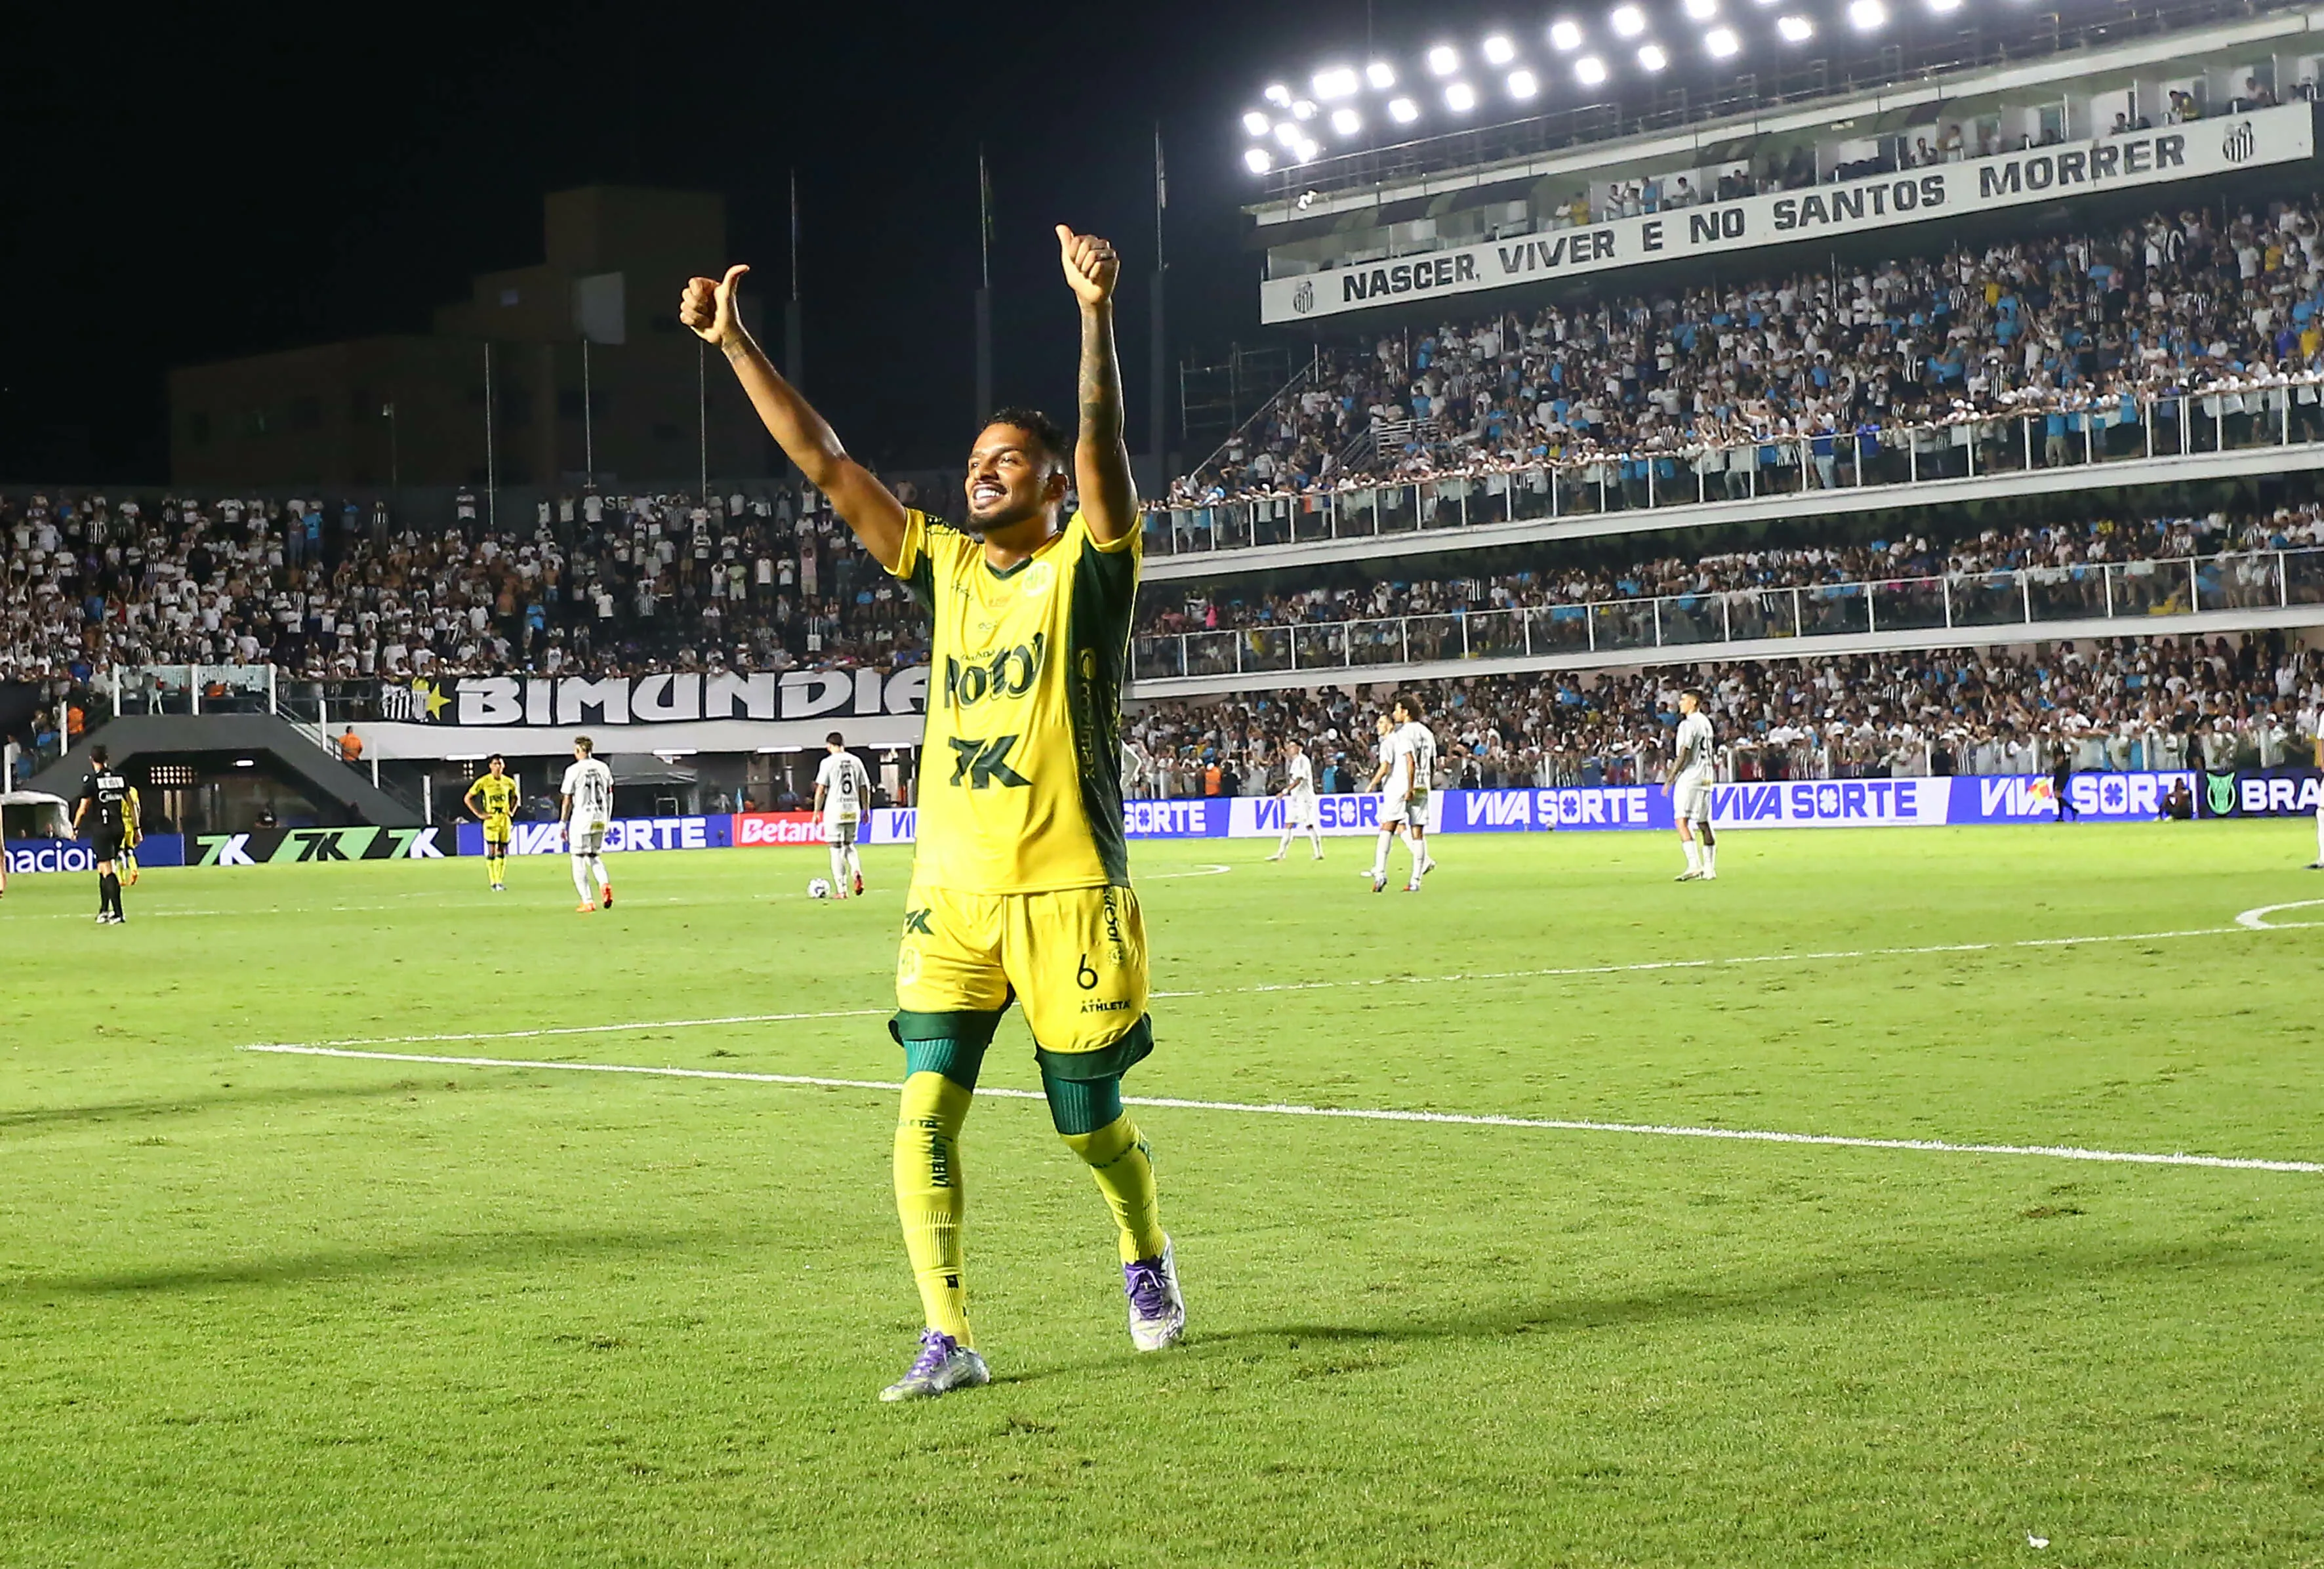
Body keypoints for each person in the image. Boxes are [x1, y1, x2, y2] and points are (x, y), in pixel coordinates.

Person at [683, 220, 1183, 1404]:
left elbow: (1105, 444)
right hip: (949, 900)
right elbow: (827, 464)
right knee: (921, 1116)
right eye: (975, 456)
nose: (983, 469)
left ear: (1056, 483)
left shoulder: (1092, 569)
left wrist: (1094, 315)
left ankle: (1144, 1251)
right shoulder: (946, 566)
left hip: (1069, 895)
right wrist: (736, 347)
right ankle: (947, 1335)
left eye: (1009, 457)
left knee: (1088, 1129)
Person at [71, 744, 132, 924]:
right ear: (108, 758)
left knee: (108, 869)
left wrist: (75, 827)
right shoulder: (121, 778)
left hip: (102, 828)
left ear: (92, 760)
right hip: (118, 827)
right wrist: (136, 829)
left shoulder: (92, 781)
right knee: (102, 868)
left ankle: (119, 913)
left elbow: (83, 808)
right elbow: (131, 804)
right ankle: (104, 910)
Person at [1387, 693, 1438, 892]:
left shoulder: (1404, 733)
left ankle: (1380, 870)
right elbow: (1433, 762)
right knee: (1418, 832)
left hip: (1407, 785)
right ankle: (1416, 880)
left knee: (1391, 825)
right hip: (1424, 784)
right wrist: (1426, 782)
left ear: (1405, 712)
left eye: (1397, 710)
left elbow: (1410, 761)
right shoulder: (1427, 732)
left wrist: (1408, 788)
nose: (1394, 714)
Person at [813, 731, 872, 898]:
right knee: (849, 845)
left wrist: (816, 812)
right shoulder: (856, 761)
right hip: (852, 809)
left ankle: (842, 890)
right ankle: (856, 871)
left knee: (835, 849)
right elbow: (865, 787)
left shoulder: (828, 762)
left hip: (835, 810)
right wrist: (865, 809)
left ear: (829, 746)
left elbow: (821, 789)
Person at [560, 737, 615, 913]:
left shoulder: (573, 770)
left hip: (582, 818)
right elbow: (610, 794)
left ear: (579, 751)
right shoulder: (603, 767)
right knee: (594, 856)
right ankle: (604, 883)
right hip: (600, 817)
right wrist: (608, 818)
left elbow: (567, 798)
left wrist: (562, 823)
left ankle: (588, 901)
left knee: (578, 858)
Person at [1668, 689, 1717, 881]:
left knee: (1681, 820)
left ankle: (1694, 865)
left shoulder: (1687, 724)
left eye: (1683, 700)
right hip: (1707, 776)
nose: (1680, 703)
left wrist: (1672, 776)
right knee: (1703, 822)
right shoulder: (1706, 722)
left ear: (1694, 702)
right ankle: (1710, 869)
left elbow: (1684, 752)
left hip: (1691, 776)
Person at [464, 754, 519, 891]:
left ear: (504, 766)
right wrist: (479, 814)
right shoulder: (483, 782)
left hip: (504, 819)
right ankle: (493, 882)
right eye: (495, 764)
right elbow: (468, 798)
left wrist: (512, 811)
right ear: (490, 766)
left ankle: (499, 881)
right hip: (491, 819)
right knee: (492, 850)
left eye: (500, 764)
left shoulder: (509, 782)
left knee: (502, 850)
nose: (498, 767)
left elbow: (516, 797)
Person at [1265, 737, 1323, 862]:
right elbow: (1284, 753)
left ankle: (1318, 852)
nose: (1289, 749)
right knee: (1288, 824)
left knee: (1309, 825)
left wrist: (1284, 791)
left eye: (1292, 746)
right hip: (1296, 798)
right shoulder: (1296, 760)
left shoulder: (1302, 760)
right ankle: (1281, 853)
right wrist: (1278, 743)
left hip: (1305, 798)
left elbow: (1299, 780)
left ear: (1299, 748)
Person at [2050, 746, 2079, 824]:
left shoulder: (2062, 746)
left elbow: (2060, 760)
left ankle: (2073, 810)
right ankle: (2061, 816)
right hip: (2059, 774)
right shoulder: (2058, 746)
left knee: (2058, 794)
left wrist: (2054, 767)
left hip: (2062, 774)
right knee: (2058, 797)